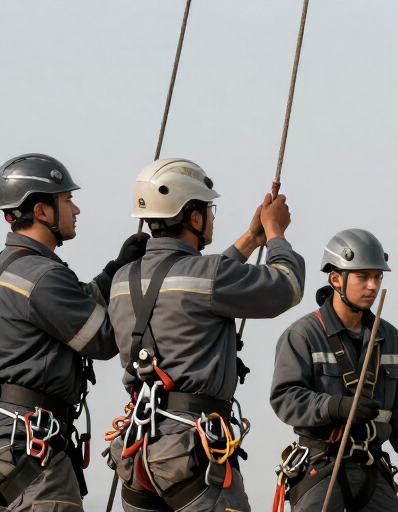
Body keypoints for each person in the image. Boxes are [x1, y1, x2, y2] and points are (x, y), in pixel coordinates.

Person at [104, 158, 306, 512]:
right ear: (194, 218)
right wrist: (275, 233)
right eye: (208, 210)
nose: (212, 217)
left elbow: (196, 284)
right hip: (190, 453)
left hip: (137, 453)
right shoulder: (207, 275)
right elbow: (287, 287)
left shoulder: (123, 279)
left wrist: (251, 238)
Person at [0, 153, 146, 512]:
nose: (75, 209)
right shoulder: (42, 275)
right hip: (34, 444)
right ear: (42, 211)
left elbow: (67, 310)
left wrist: (115, 270)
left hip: (1, 442)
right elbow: (103, 339)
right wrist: (142, 293)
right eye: (67, 200)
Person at [270, 229, 398, 512]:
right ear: (336, 279)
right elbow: (285, 399)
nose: (372, 286)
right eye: (363, 277)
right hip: (321, 467)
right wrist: (336, 406)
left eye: (378, 277)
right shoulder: (304, 334)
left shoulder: (388, 337)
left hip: (373, 467)